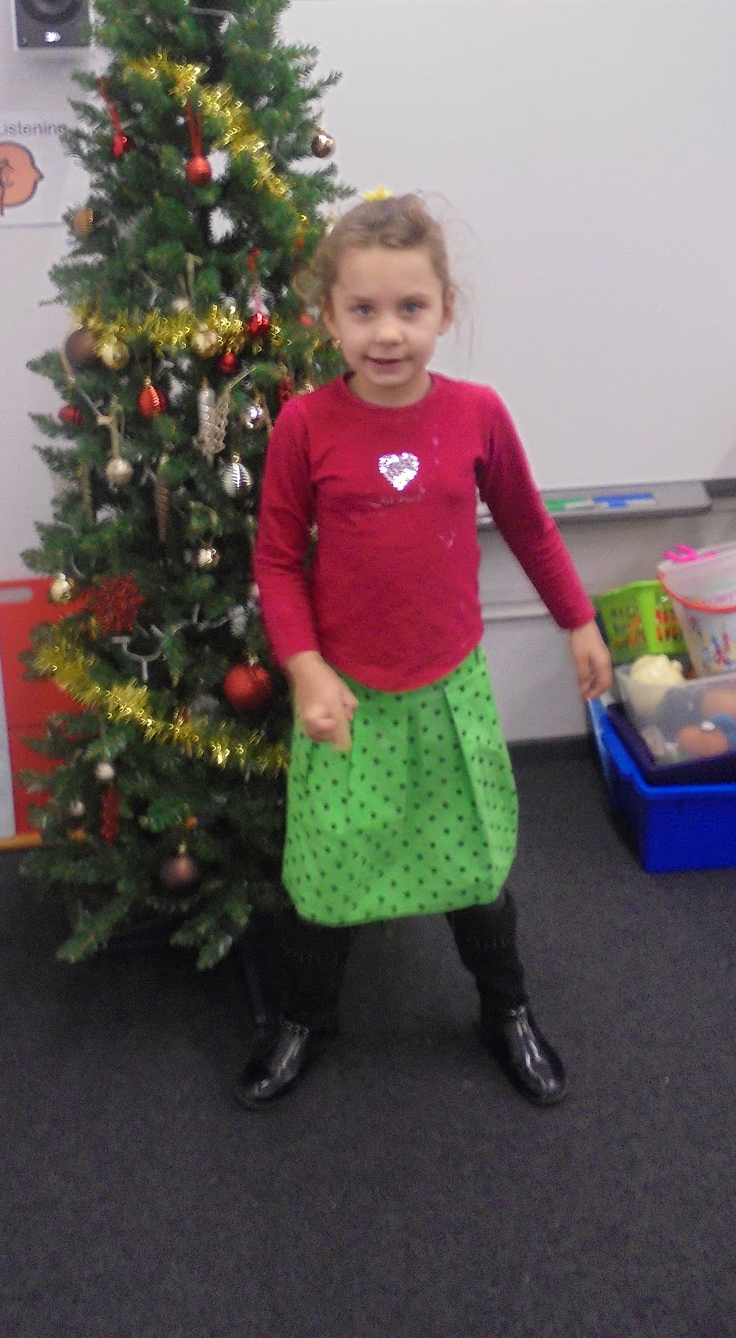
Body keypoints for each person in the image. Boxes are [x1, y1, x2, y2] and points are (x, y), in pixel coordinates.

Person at [238, 192, 612, 1111]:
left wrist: (578, 619)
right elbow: (277, 562)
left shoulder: (477, 414)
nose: (387, 333)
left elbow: (528, 525)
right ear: (328, 317)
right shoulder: (305, 426)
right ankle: (306, 1020)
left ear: (446, 308)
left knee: (475, 867)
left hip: (450, 687)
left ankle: (506, 1010)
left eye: (410, 307)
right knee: (329, 867)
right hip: (345, 697)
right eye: (362, 309)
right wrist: (306, 668)